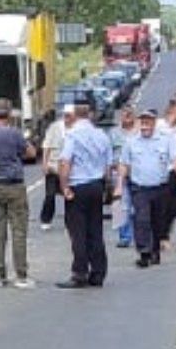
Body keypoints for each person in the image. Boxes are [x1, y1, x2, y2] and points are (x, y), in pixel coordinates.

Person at [0, 97, 37, 288]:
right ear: (9, 113)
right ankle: (21, 275)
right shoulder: (14, 133)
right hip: (14, 186)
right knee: (18, 231)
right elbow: (31, 153)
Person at [56, 101, 112, 288]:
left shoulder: (72, 135)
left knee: (78, 231)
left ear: (74, 116)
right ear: (90, 115)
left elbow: (65, 162)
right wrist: (105, 186)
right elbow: (108, 166)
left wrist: (64, 186)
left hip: (78, 186)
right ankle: (98, 272)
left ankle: (80, 272)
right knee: (95, 229)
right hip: (96, 185)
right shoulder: (101, 135)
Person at [119, 108, 176, 266]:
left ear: (154, 123)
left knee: (157, 221)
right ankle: (144, 252)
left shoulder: (165, 140)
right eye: (143, 122)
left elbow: (175, 159)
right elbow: (124, 164)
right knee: (141, 219)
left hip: (160, 187)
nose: (145, 126)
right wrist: (119, 185)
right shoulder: (131, 141)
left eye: (148, 122)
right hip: (140, 187)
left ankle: (155, 251)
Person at [39, 105, 74, 230]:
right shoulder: (54, 127)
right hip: (53, 165)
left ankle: (70, 220)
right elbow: (46, 146)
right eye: (66, 115)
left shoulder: (76, 128)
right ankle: (46, 218)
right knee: (50, 195)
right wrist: (44, 163)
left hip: (70, 167)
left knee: (69, 195)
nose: (67, 118)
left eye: (70, 116)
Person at [157, 99, 176, 249]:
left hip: (171, 170)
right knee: (159, 205)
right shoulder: (159, 125)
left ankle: (164, 234)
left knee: (172, 206)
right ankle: (160, 236)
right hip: (157, 170)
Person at [109, 106, 137, 247]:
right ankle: (124, 237)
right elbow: (108, 153)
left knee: (137, 206)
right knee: (121, 206)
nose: (127, 116)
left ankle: (139, 235)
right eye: (125, 114)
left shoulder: (139, 132)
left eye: (130, 114)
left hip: (137, 173)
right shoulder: (113, 133)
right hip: (118, 174)